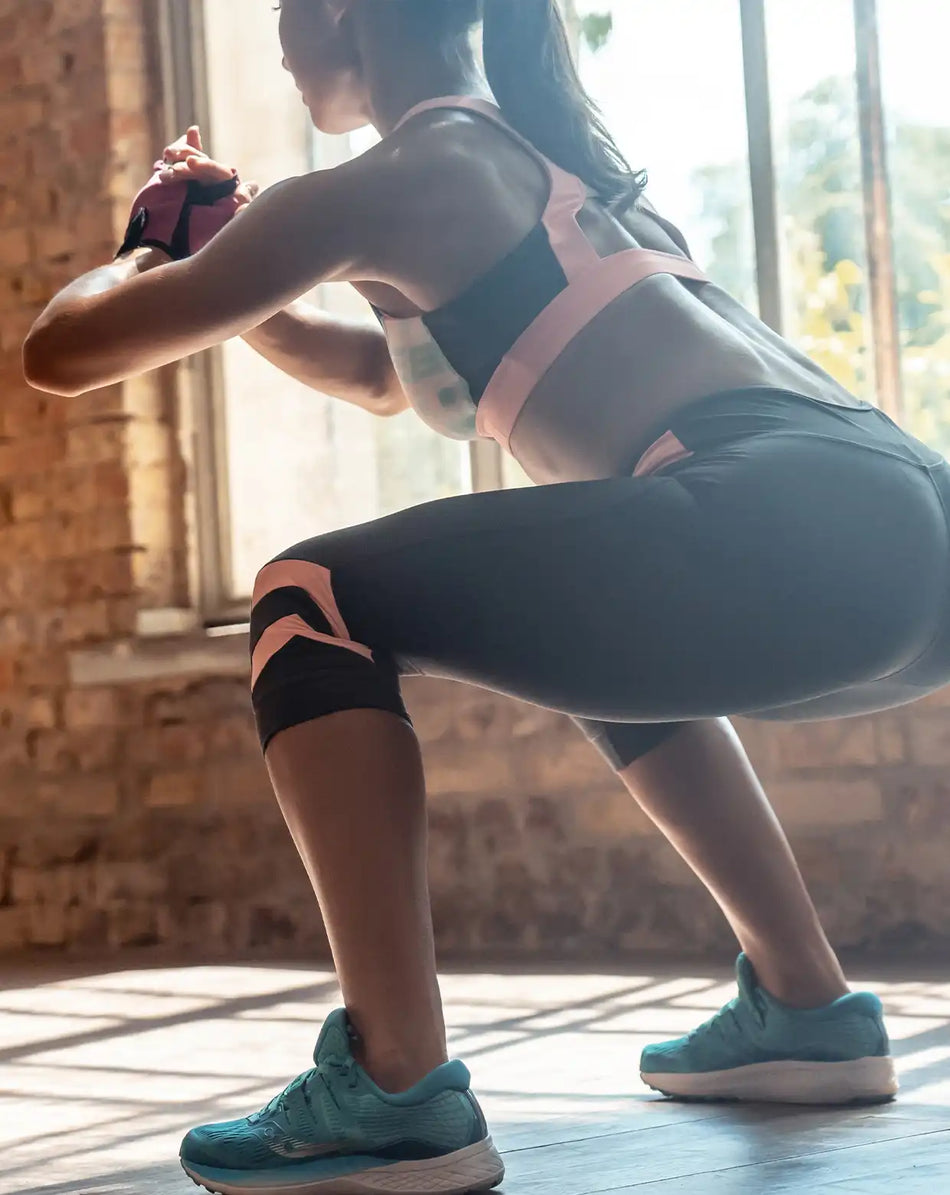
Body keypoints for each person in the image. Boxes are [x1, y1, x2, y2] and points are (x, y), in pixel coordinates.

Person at [23, 1, 949, 1192]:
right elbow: (386, 378)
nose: (276, 41)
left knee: (313, 591)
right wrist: (237, 270)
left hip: (778, 514)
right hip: (897, 527)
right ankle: (806, 1004)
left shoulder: (404, 169)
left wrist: (156, 247)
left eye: (279, 10)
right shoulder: (553, 167)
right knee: (597, 629)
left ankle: (394, 1086)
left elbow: (63, 351)